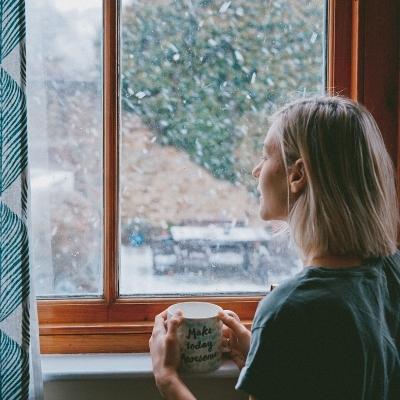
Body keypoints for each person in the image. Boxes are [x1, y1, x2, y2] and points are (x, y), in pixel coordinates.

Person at [149, 95, 400, 399]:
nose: (257, 170)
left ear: (297, 175)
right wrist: (266, 357)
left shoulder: (289, 310)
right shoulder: (392, 270)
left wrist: (166, 379)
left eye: (266, 155)